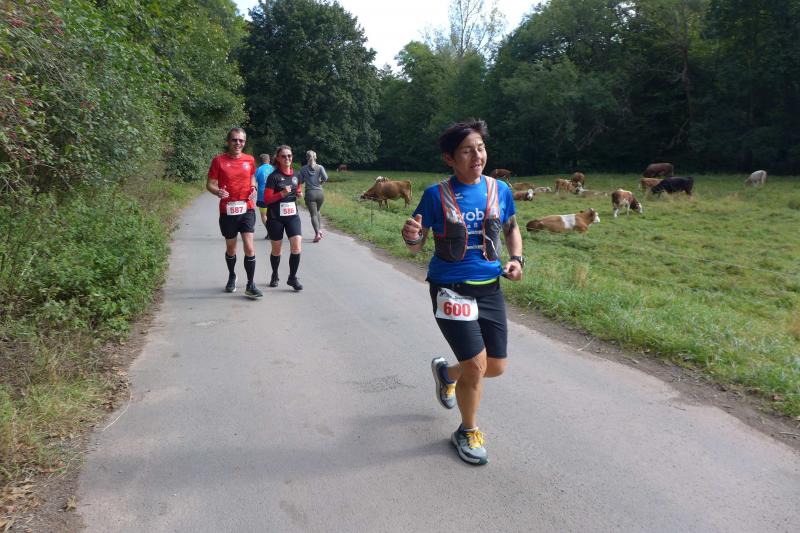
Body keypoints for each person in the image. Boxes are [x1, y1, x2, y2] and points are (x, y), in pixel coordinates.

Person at [401, 119, 524, 465]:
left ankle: (446, 374)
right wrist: (411, 236)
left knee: (495, 367)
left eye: (480, 148)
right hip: (450, 290)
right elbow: (416, 244)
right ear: (450, 158)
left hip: (490, 288)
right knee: (476, 365)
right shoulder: (435, 195)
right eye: (467, 151)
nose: (477, 156)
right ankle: (467, 431)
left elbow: (512, 228)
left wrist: (517, 259)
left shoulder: (499, 189)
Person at [206, 127, 263, 299]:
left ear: (244, 142)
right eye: (235, 140)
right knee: (231, 248)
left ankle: (250, 284)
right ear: (228, 141)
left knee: (249, 247)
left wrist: (253, 187)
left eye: (241, 140)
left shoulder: (250, 159)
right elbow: (210, 183)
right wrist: (217, 191)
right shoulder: (218, 161)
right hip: (228, 210)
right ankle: (232, 275)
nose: (238, 143)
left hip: (247, 208)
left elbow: (252, 176)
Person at [262, 145, 304, 291]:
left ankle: (292, 278)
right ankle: (274, 274)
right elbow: (267, 199)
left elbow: (298, 188)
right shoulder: (273, 177)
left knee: (296, 246)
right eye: (284, 156)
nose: (287, 158)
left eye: (289, 156)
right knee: (276, 250)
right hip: (275, 217)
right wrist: (281, 194)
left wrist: (299, 193)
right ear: (278, 159)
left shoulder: (297, 175)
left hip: (292, 216)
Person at [299, 150, 329, 242]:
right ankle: (320, 230)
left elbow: (301, 181)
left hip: (310, 193)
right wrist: (321, 182)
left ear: (306, 158)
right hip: (320, 193)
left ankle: (317, 234)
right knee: (317, 211)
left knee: (313, 215)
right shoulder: (320, 167)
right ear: (315, 157)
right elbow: (325, 178)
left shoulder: (303, 169)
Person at [255, 153, 274, 238]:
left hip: (262, 196)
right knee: (272, 215)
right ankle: (273, 231)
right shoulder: (273, 169)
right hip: (273, 194)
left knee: (264, 215)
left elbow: (254, 181)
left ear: (260, 161)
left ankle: (270, 232)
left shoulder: (258, 169)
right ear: (269, 160)